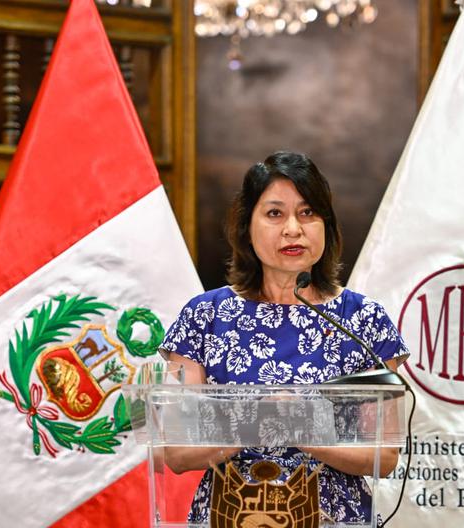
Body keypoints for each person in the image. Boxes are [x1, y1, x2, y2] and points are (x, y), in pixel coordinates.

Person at [159, 151, 408, 525]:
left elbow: (384, 458)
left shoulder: (363, 319)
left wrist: (302, 430)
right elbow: (176, 452)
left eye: (308, 213)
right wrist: (257, 422)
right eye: (275, 213)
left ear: (327, 225)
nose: (293, 228)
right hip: (230, 513)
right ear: (247, 226)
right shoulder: (204, 316)